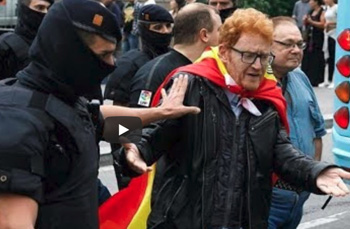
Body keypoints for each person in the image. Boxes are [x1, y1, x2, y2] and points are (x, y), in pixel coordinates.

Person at [123, 8, 350, 229]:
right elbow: (141, 128)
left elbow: (281, 151)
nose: (258, 66)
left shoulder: (265, 97)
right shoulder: (190, 84)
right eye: (248, 56)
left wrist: (316, 171)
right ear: (224, 52)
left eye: (263, 56)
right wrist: (130, 147)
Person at [0, 0, 199, 228]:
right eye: (103, 55)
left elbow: (101, 122)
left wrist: (161, 113)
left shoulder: (64, 100)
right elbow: (11, 222)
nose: (112, 64)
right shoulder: (17, 120)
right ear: (69, 52)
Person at [268, 16, 327, 229]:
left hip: (299, 194)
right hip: (269, 198)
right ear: (267, 45)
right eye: (287, 44)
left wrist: (311, 179)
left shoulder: (300, 78)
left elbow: (317, 130)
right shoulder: (254, 83)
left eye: (299, 44)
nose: (296, 50)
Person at [129, 3, 221, 108]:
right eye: (219, 30)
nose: (224, 36)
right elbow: (135, 119)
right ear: (204, 35)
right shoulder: (154, 74)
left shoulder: (207, 68)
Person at [105, 4, 174, 106]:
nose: (165, 31)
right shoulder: (129, 64)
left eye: (168, 26)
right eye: (158, 27)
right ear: (145, 30)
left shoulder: (174, 58)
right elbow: (119, 115)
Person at [0, 0, 53, 80]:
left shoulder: (54, 45)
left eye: (49, 9)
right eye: (40, 7)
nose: (46, 13)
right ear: (24, 9)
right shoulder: (6, 46)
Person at [301, 0, 325, 87]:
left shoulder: (322, 11)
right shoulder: (310, 12)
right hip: (309, 37)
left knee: (316, 57)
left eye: (311, 1)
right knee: (307, 57)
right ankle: (306, 78)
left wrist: (311, 22)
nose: (310, 3)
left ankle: (316, 79)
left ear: (316, 2)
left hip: (317, 37)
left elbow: (323, 24)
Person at [320, 0, 337, 88]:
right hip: (327, 34)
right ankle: (328, 79)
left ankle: (334, 79)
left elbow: (341, 20)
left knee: (334, 57)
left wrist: (330, 24)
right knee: (328, 57)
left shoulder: (336, 8)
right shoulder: (326, 8)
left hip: (334, 34)